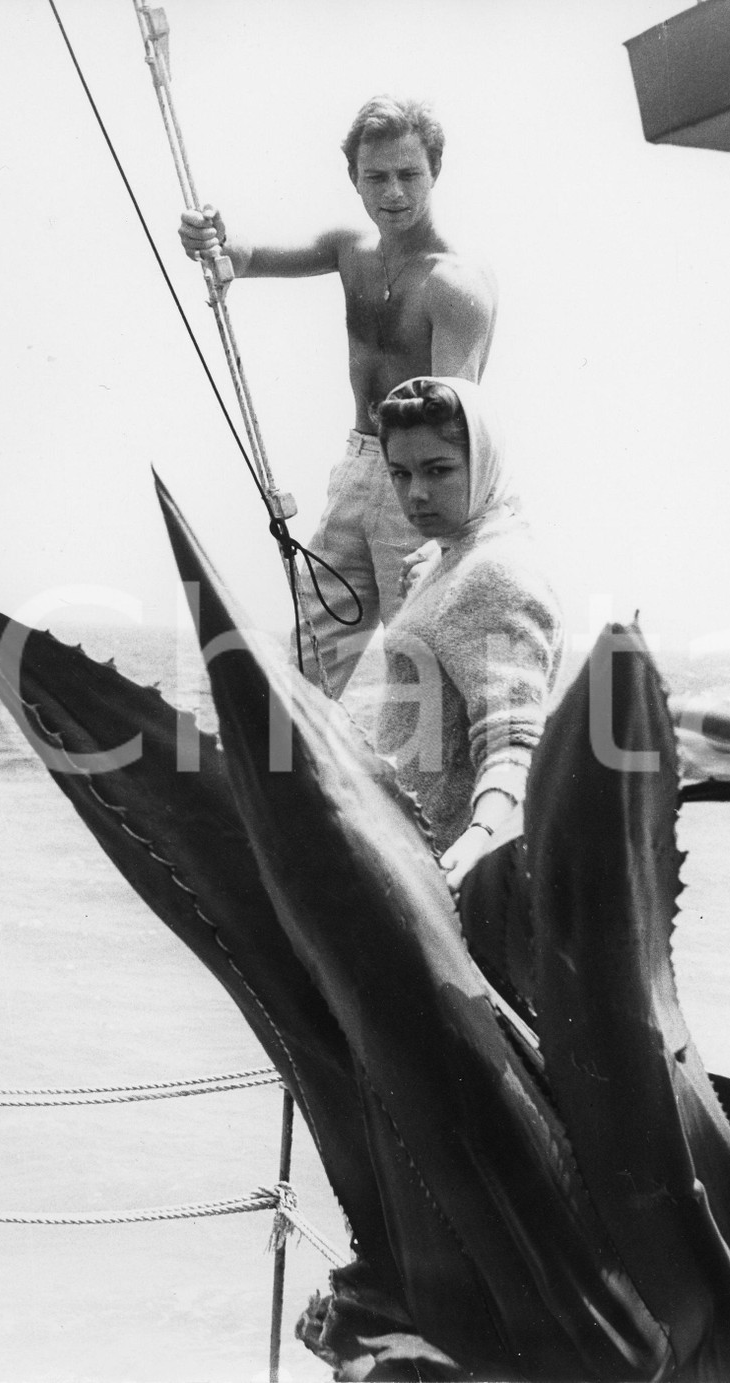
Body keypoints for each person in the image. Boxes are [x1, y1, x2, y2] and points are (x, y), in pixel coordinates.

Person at [178, 95, 498, 696]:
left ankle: (426, 786)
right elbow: (241, 259)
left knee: (422, 673)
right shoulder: (351, 250)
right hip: (357, 468)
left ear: (436, 172)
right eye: (377, 176)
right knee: (308, 661)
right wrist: (212, 241)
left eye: (410, 175)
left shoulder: (454, 284)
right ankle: (292, 778)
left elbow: (455, 425)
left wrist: (444, 534)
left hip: (424, 480)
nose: (394, 192)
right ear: (353, 177)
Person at [373, 376, 563, 895]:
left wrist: (479, 837)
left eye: (439, 471)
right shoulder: (456, 555)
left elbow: (511, 737)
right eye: (400, 473)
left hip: (442, 872)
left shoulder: (495, 573)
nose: (416, 494)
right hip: (408, 859)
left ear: (482, 465)